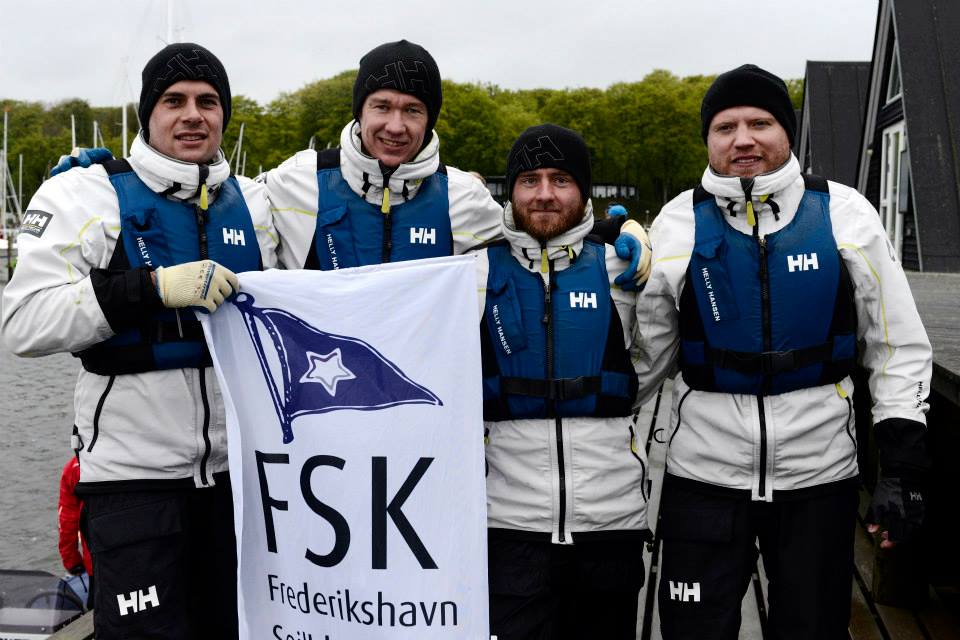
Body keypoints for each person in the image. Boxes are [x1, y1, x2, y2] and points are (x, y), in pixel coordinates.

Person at [635, 64, 932, 639]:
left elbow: (895, 344)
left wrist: (902, 465)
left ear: (787, 132)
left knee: (812, 629)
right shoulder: (676, 222)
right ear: (708, 140)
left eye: (760, 122)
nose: (743, 138)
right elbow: (645, 360)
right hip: (703, 475)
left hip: (818, 476)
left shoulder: (845, 213)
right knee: (693, 630)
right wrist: (621, 290)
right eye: (725, 127)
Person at [1, 43, 278, 639]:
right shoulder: (84, 194)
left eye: (208, 101)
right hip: (131, 483)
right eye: (173, 101)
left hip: (238, 483)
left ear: (225, 114)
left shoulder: (256, 204)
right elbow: (22, 322)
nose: (192, 115)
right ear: (148, 113)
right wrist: (148, 288)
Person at [478, 124, 651, 639]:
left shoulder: (626, 268)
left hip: (611, 522)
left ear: (586, 191)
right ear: (511, 192)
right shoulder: (474, 273)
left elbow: (656, 360)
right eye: (529, 180)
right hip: (507, 524)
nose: (545, 194)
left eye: (561, 179)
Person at [261, 39, 504, 270]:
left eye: (412, 110)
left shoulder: (465, 197)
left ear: (429, 120)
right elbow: (231, 209)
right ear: (360, 111)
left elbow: (531, 255)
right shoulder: (295, 179)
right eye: (382, 107)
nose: (395, 127)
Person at [58, 457, 92, 577]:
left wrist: (72, 562)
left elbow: (67, 521)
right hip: (145, 559)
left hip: (98, 564)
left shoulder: (75, 468)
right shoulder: (138, 458)